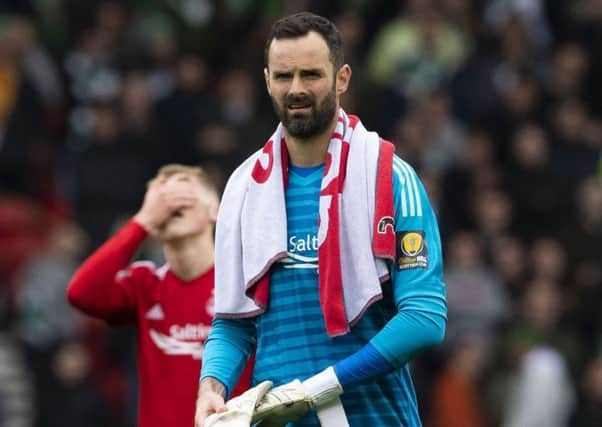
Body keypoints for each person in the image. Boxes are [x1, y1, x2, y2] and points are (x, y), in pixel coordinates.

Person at [194, 12, 447, 427]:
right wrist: (212, 387)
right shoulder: (243, 188)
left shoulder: (390, 178)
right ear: (267, 81)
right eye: (283, 76)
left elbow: (424, 320)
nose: (296, 89)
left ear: (342, 78)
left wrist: (317, 389)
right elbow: (233, 323)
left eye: (311, 74)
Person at [67, 164, 251, 427]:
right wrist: (142, 222)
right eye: (162, 194)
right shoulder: (145, 284)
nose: (170, 197)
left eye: (184, 185)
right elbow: (81, 293)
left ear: (215, 210)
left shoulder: (241, 281)